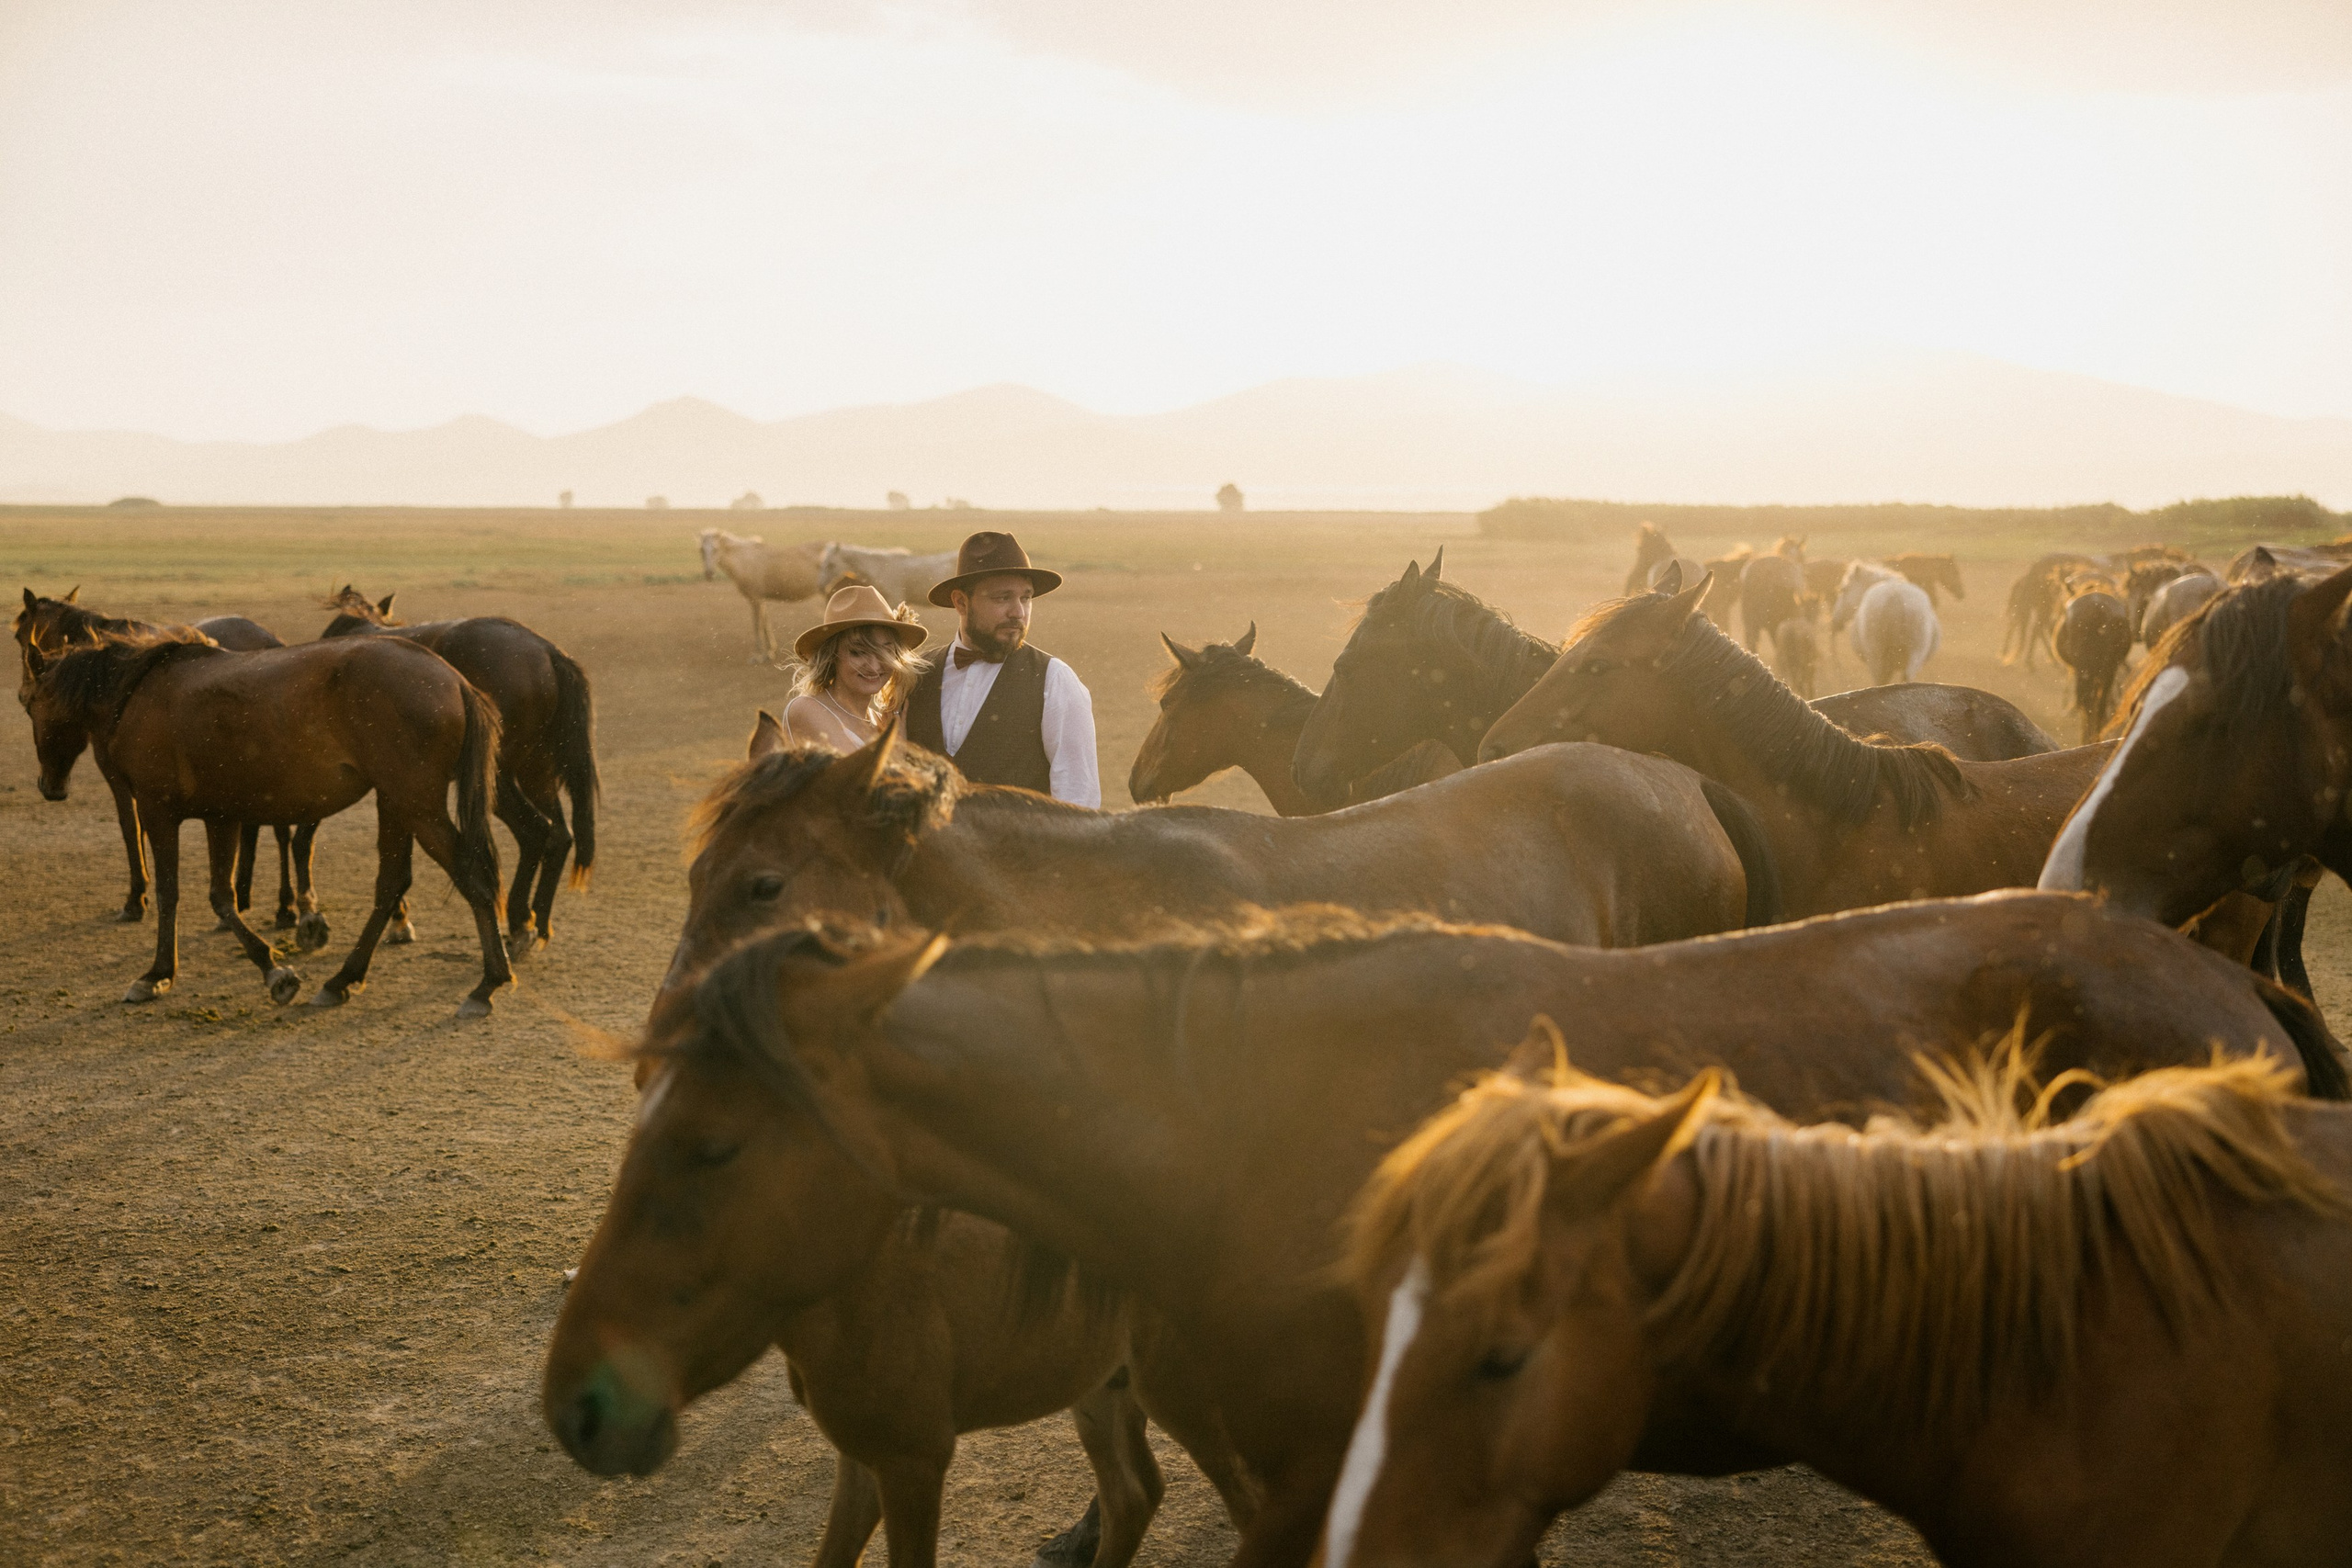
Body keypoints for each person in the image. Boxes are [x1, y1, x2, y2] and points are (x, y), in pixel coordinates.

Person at [906, 531, 1100, 807]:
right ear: (961, 602)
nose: (1018, 612)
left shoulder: (1054, 680)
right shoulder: (916, 675)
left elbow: (1078, 804)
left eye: (1026, 598)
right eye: (1002, 598)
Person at [781, 583, 930, 753]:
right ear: (832, 656)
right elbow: (859, 777)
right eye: (858, 653)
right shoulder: (807, 709)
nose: (874, 666)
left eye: (885, 652)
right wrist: (897, 746)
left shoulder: (879, 721)